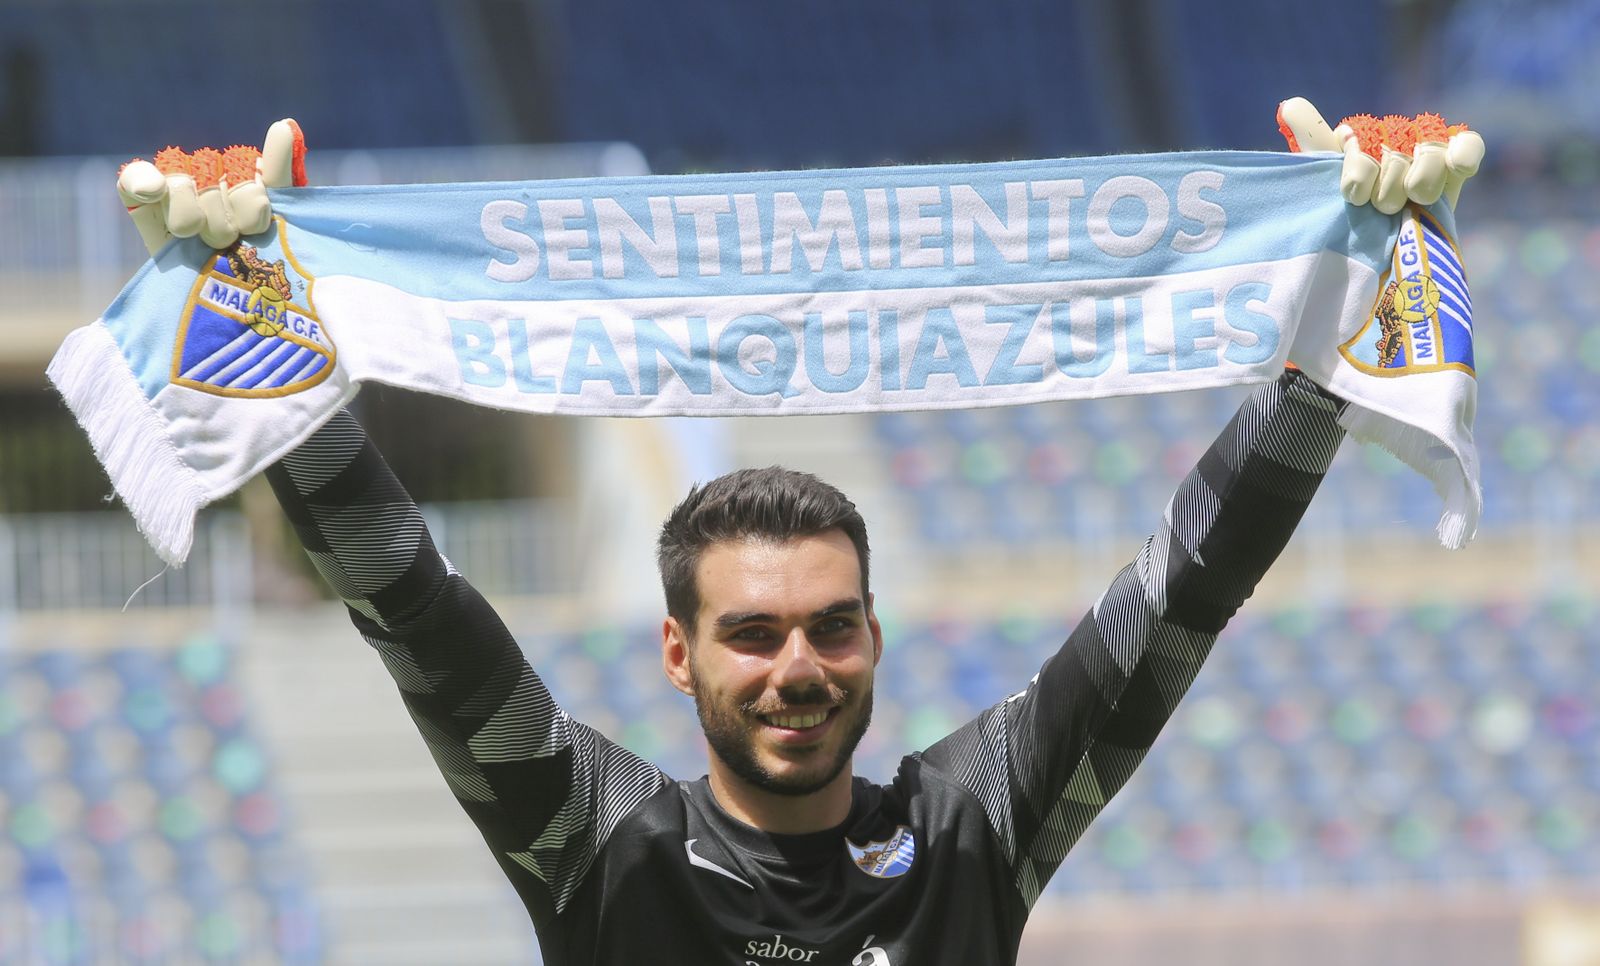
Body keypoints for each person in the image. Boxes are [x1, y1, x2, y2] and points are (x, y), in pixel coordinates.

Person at [118, 102, 1480, 964]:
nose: (798, 667)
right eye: (753, 633)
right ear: (679, 652)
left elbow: (1182, 595)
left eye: (831, 625)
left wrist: (1338, 302)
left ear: (873, 635)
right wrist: (264, 332)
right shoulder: (599, 842)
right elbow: (417, 615)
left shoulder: (972, 827)